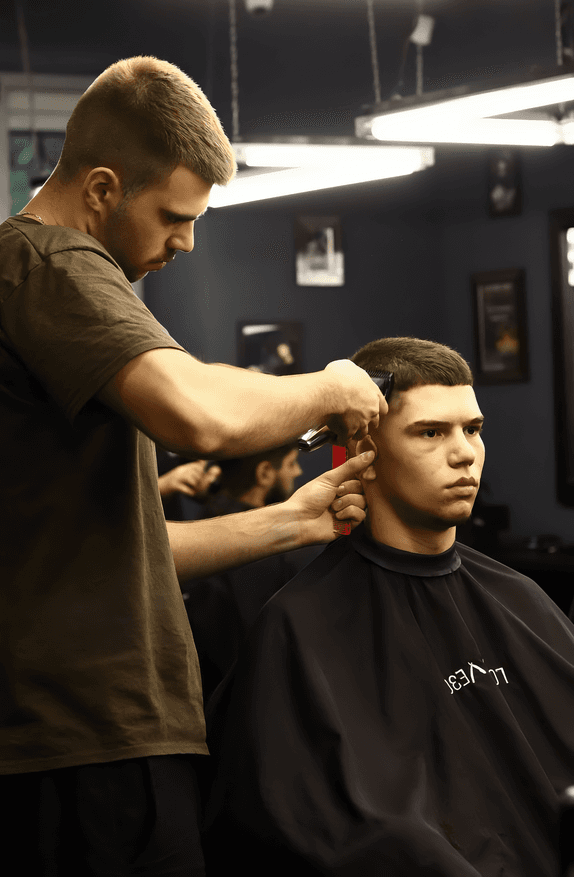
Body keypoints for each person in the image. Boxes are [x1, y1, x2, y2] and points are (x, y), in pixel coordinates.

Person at [0, 55, 386, 876]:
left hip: (89, 741)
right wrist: (330, 385)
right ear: (103, 190)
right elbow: (201, 415)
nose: (187, 239)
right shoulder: (50, 264)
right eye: (175, 214)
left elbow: (125, 554)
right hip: (85, 746)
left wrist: (295, 518)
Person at [205, 336, 574, 877]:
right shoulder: (301, 625)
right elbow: (325, 829)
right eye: (431, 432)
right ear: (362, 455)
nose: (465, 452)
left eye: (472, 429)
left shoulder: (523, 599)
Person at [182, 444, 327, 701]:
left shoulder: (188, 528)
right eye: (292, 463)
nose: (298, 471)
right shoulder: (280, 558)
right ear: (264, 473)